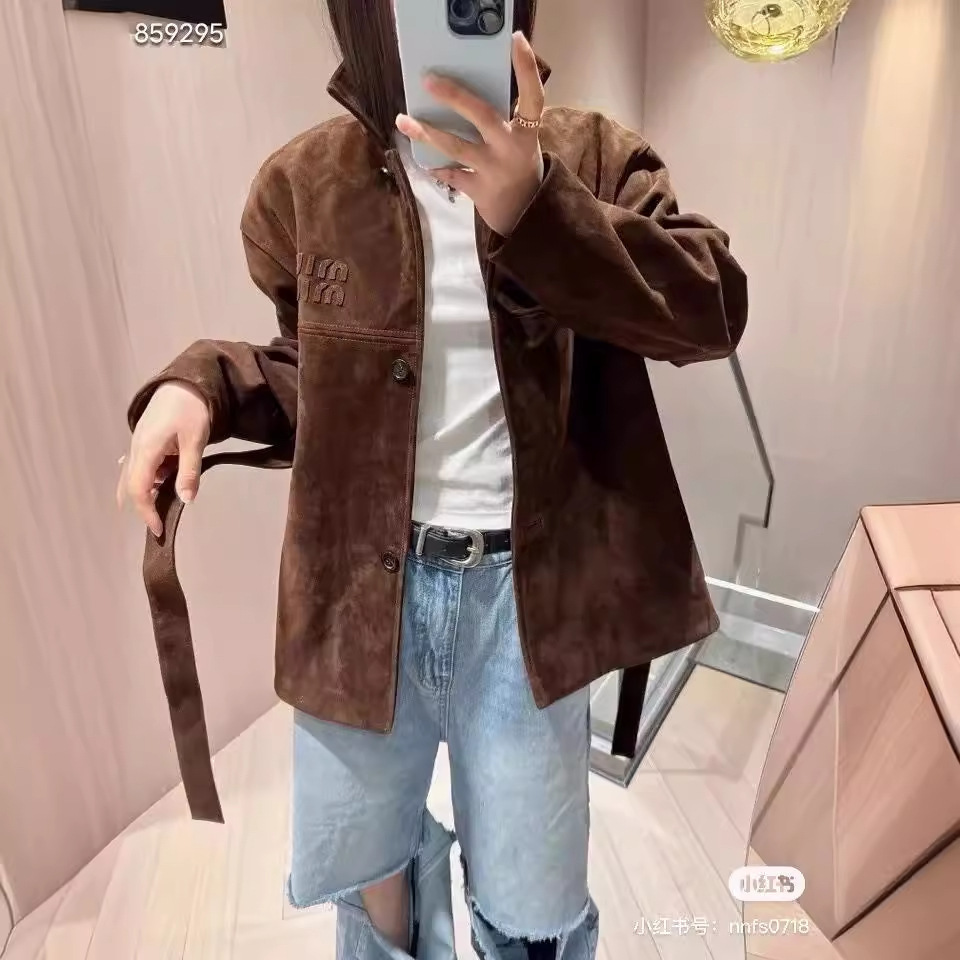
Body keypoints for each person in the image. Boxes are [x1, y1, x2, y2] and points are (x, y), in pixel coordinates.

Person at [118, 1, 748, 958]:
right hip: (359, 603)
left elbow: (710, 308)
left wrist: (536, 207)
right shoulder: (304, 184)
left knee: (532, 907)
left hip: (529, 608)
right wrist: (200, 385)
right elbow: (315, 377)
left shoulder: (591, 156)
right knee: (372, 875)